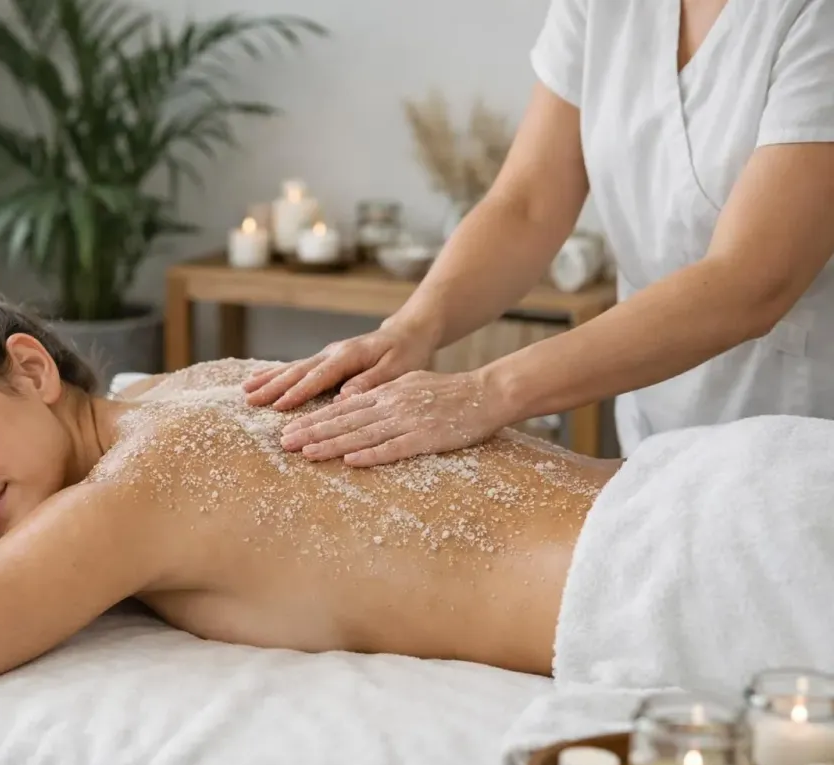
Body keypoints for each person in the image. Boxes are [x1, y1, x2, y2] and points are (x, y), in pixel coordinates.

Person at [0, 260, 625, 727]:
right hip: (676, 490)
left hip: (661, 577)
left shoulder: (131, 493)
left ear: (31, 370)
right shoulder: (195, 386)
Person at [243, 0, 834, 464]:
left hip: (803, 426)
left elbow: (752, 280)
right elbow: (527, 204)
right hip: (658, 419)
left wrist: (489, 392)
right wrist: (413, 327)